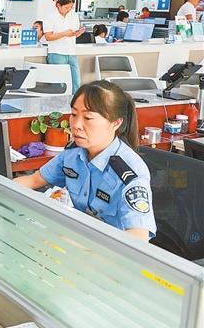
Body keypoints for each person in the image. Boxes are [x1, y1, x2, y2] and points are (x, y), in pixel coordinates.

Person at [14, 81, 156, 241]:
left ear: (116, 123)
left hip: (110, 250)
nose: (76, 125)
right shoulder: (73, 153)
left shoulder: (130, 172)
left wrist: (78, 245)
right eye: (74, 114)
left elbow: (138, 238)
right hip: (79, 236)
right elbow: (34, 180)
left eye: (88, 117)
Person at [43, 0, 84, 89]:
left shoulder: (74, 16)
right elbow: (48, 37)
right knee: (59, 85)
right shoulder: (50, 17)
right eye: (66, 7)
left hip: (72, 53)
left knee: (76, 83)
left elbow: (72, 33)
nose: (69, 10)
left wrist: (78, 33)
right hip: (57, 53)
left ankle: (74, 99)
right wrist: (64, 34)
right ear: (58, 5)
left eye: (71, 7)